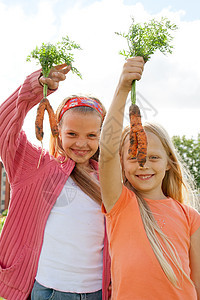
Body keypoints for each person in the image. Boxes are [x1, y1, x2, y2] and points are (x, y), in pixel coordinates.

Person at [0, 64, 111, 300]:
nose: (82, 143)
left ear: (100, 135)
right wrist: (33, 89)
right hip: (49, 291)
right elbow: (4, 130)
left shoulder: (109, 178)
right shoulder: (36, 167)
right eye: (72, 134)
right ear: (57, 130)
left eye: (91, 135)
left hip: (98, 292)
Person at [99, 57, 200, 299]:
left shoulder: (191, 217)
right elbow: (108, 151)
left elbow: (197, 283)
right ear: (122, 165)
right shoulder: (120, 204)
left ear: (169, 164)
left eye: (153, 157)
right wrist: (123, 88)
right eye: (133, 156)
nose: (143, 163)